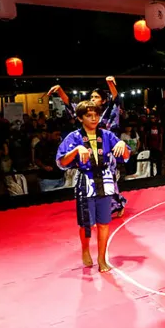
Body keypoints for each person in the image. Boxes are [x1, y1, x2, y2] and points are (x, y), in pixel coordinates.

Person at [56, 101, 130, 273]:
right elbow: (61, 162)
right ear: (80, 118)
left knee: (104, 223)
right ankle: (85, 249)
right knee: (86, 224)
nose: (94, 118)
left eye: (96, 115)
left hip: (104, 181)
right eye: (89, 115)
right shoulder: (73, 137)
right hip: (85, 182)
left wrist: (121, 145)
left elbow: (125, 155)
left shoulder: (106, 135)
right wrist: (76, 150)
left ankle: (102, 257)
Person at [49, 77, 127, 217]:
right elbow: (72, 107)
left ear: (103, 101)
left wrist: (110, 84)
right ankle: (96, 208)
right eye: (91, 96)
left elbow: (115, 98)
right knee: (90, 182)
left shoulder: (109, 112)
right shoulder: (85, 113)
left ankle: (115, 206)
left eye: (96, 97)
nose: (93, 99)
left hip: (107, 149)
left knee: (110, 182)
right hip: (89, 148)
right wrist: (60, 91)